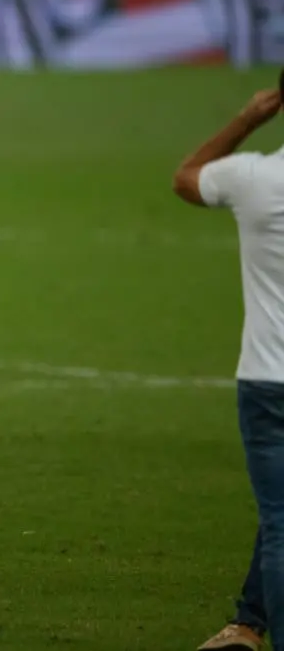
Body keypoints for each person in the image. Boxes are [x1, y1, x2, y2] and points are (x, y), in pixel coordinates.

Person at [176, 81, 284, 651]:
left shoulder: (256, 179)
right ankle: (248, 624)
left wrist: (246, 119)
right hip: (265, 379)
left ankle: (248, 626)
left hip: (266, 379)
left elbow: (187, 177)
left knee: (280, 515)